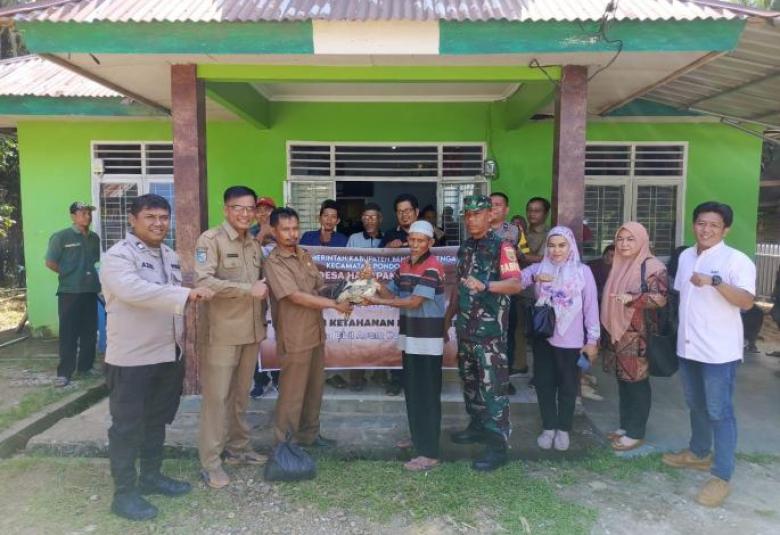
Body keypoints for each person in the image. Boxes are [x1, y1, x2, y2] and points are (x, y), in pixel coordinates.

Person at [100, 194, 214, 521]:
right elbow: (133, 291)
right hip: (131, 358)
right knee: (127, 427)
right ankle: (124, 494)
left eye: (164, 217)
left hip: (166, 354)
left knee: (156, 421)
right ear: (133, 220)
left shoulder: (169, 255)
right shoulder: (118, 256)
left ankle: (150, 477)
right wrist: (186, 294)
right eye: (150, 217)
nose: (159, 223)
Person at [662, 201, 755, 508]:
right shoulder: (686, 256)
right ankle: (699, 452)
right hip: (689, 347)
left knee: (720, 411)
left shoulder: (736, 260)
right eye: (701, 223)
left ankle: (721, 476)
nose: (706, 230)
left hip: (719, 352)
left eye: (714, 225)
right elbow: (683, 296)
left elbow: (746, 302)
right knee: (696, 404)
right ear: (694, 225)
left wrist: (715, 282)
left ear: (725, 229)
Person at [195, 186, 270, 489]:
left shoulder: (253, 243)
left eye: (250, 208)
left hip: (250, 332)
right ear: (226, 209)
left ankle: (238, 448)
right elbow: (203, 281)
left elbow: (265, 281)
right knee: (217, 399)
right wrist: (247, 290)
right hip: (222, 333)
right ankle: (210, 462)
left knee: (240, 395)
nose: (245, 214)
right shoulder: (210, 240)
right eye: (238, 208)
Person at [444, 195, 522, 471]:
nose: (471, 219)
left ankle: (497, 446)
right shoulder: (465, 247)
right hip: (466, 330)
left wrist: (487, 285)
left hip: (490, 335)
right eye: (467, 214)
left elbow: (515, 284)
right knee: (471, 383)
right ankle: (476, 427)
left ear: (490, 215)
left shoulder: (503, 246)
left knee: (493, 390)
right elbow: (459, 287)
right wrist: (447, 319)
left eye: (477, 214)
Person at [265, 207, 353, 446]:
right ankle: (285, 445)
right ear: (274, 231)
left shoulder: (304, 254)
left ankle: (309, 436)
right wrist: (334, 304)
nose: (292, 234)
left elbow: (317, 287)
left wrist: (343, 290)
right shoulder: (274, 262)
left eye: (295, 228)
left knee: (314, 389)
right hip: (294, 335)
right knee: (292, 393)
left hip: (315, 330)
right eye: (286, 229)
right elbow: (295, 296)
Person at [364, 220, 446, 471]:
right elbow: (391, 292)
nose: (415, 244)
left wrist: (379, 302)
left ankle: (429, 452)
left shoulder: (433, 267)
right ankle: (418, 437)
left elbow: (413, 302)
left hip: (428, 341)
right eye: (412, 239)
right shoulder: (405, 264)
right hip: (410, 338)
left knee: (427, 395)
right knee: (413, 391)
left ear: (430, 243)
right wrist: (374, 281)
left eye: (421, 240)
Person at [520, 226, 599, 452]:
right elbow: (516, 281)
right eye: (552, 245)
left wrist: (592, 340)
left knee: (568, 386)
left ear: (570, 246)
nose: (556, 250)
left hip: (572, 341)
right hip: (544, 338)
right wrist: (535, 277)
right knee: (544, 385)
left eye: (562, 245)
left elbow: (591, 308)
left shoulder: (583, 272)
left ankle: (563, 429)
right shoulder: (539, 267)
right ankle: (548, 427)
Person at [601, 223, 668, 452]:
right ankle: (625, 426)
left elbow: (660, 298)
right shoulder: (620, 264)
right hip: (619, 333)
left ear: (642, 240)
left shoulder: (653, 266)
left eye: (630, 239)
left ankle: (636, 432)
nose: (624, 244)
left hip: (639, 336)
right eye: (620, 239)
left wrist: (632, 298)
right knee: (623, 381)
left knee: (637, 382)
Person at [45, 201, 101, 387]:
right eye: (83, 213)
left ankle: (85, 367)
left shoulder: (94, 238)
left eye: (89, 213)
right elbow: (50, 262)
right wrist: (69, 274)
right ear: (73, 216)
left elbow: (94, 260)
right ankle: (64, 373)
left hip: (90, 290)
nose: (87, 216)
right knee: (69, 332)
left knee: (89, 331)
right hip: (69, 292)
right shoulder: (61, 237)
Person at [380, 193, 421, 395]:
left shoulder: (432, 233)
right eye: (400, 211)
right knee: (398, 339)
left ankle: (419, 381)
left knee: (421, 340)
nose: (404, 215)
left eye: (408, 210)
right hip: (397, 295)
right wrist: (388, 249)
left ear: (416, 212)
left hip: (424, 296)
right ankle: (396, 380)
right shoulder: (389, 235)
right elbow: (378, 261)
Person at [346, 203, 384, 391]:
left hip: (380, 295)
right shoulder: (353, 238)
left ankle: (380, 374)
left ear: (380, 219)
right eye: (366, 217)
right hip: (358, 293)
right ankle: (356, 377)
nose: (369, 220)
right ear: (361, 219)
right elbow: (345, 263)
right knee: (358, 335)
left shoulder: (386, 239)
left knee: (381, 335)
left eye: (373, 216)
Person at [490, 192, 522, 394]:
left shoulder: (515, 230)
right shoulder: (476, 227)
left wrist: (515, 254)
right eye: (490, 204)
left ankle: (504, 379)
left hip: (508, 292)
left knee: (506, 337)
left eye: (498, 204)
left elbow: (524, 255)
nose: (493, 208)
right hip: (484, 292)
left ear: (506, 209)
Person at [250, 195, 279, 399]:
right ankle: (260, 380)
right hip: (255, 295)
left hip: (279, 294)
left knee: (277, 336)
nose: (263, 214)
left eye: (267, 210)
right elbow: (249, 258)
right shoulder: (247, 233)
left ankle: (278, 377)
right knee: (256, 338)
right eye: (259, 210)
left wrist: (273, 234)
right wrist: (262, 233)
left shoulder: (283, 231)